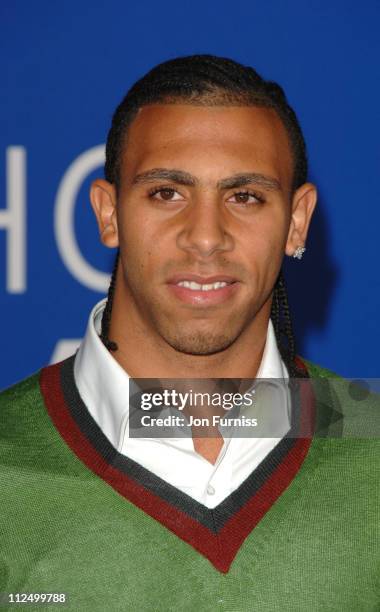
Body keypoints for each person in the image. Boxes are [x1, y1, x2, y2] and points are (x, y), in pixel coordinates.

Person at [0, 55, 378, 611]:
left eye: (244, 196)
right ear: (109, 213)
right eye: (166, 193)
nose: (205, 238)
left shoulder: (369, 438)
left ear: (297, 221)